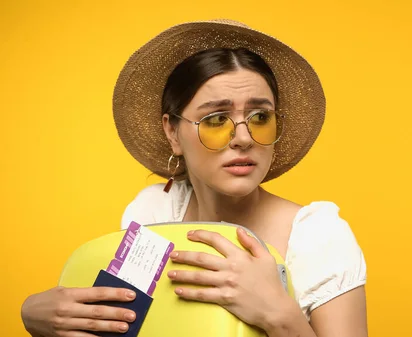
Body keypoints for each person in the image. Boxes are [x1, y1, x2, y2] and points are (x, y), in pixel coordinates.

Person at [21, 19, 368, 337]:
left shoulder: (318, 236)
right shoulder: (156, 211)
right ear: (172, 132)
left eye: (260, 116)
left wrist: (278, 315)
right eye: (216, 119)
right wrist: (34, 315)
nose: (244, 138)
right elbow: (122, 324)